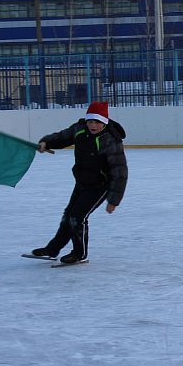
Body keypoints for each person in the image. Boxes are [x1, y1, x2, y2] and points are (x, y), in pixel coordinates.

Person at [30, 101, 128, 264]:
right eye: (90, 121)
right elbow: (62, 137)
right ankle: (52, 249)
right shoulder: (79, 129)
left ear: (104, 122)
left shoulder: (111, 141)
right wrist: (46, 142)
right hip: (82, 181)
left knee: (77, 217)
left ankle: (79, 253)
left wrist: (113, 200)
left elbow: (120, 172)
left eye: (97, 122)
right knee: (68, 216)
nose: (93, 125)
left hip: (101, 185)